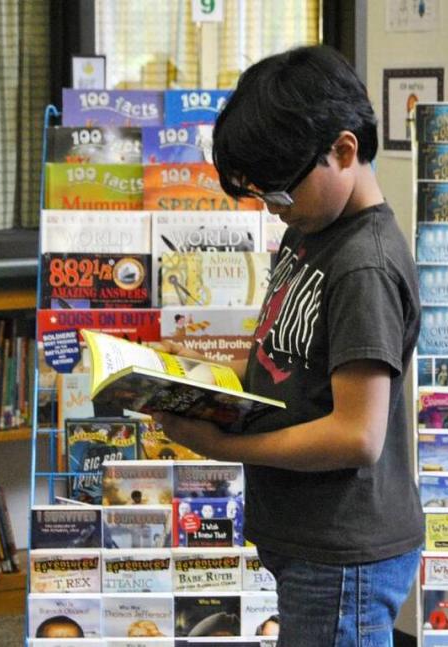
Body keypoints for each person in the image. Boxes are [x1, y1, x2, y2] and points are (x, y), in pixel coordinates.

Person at [153, 44, 423, 647]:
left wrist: (227, 445)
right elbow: (286, 362)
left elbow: (357, 435)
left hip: (343, 550)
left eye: (281, 196)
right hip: (309, 537)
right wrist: (190, 373)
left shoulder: (363, 267)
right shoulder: (311, 232)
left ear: (343, 150)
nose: (275, 213)